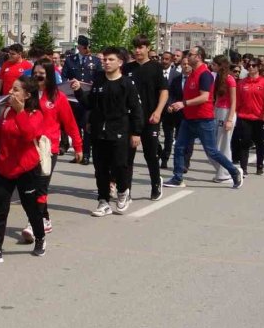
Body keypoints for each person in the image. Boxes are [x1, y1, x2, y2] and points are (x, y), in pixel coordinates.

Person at [0, 75, 48, 261]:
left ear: (27, 95)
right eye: (11, 89)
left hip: (26, 168)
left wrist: (20, 112)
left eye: (16, 90)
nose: (10, 92)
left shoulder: (36, 114)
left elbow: (28, 136)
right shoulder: (6, 111)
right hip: (4, 167)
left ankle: (40, 237)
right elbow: (0, 136)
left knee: (31, 207)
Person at [71, 47, 142, 217]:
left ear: (120, 62)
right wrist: (78, 90)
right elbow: (90, 104)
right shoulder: (99, 81)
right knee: (100, 168)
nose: (106, 63)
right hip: (98, 132)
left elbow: (136, 109)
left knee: (120, 165)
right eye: (104, 60)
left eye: (110, 60)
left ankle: (123, 191)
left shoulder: (127, 84)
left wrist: (136, 132)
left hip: (119, 131)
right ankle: (103, 201)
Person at [164, 46, 243, 189]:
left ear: (199, 57)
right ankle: (177, 178)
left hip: (203, 119)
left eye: (191, 55)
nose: (187, 58)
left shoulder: (204, 74)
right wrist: (176, 104)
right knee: (179, 147)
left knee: (211, 151)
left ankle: (234, 171)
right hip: (188, 118)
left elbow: (205, 97)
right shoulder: (192, 74)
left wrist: (183, 104)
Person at [23, 57, 81, 240]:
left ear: (49, 75)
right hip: (28, 147)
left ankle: (35, 223)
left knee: (41, 185)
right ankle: (45, 219)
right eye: (35, 73)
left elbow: (70, 124)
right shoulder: (27, 96)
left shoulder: (58, 97)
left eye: (42, 74)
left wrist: (78, 146)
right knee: (32, 186)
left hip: (49, 148)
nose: (38, 77)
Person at [122, 35, 168, 200]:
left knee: (150, 154)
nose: (137, 50)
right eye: (135, 47)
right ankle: (126, 190)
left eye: (141, 47)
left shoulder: (156, 68)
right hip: (131, 119)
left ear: (148, 48)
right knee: (128, 156)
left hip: (150, 118)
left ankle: (156, 183)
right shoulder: (127, 69)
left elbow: (164, 91)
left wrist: (158, 111)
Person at [62, 35, 101, 164]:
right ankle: (77, 152)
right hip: (73, 98)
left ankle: (86, 154)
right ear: (79, 47)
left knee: (87, 126)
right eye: (84, 47)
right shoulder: (70, 60)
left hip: (89, 98)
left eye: (87, 47)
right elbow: (64, 77)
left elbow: (99, 79)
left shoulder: (95, 61)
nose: (86, 50)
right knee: (75, 126)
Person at [234, 59, 264, 176]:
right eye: (249, 65)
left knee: (259, 142)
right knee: (244, 142)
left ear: (258, 67)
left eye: (254, 65)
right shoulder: (242, 83)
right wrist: (234, 114)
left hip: (260, 118)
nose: (251, 67)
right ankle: (243, 168)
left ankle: (259, 166)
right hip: (244, 117)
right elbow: (237, 101)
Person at [210, 55, 237, 182]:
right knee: (214, 145)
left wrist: (230, 120)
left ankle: (226, 173)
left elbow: (233, 102)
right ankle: (226, 170)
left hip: (227, 112)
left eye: (214, 64)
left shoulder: (230, 79)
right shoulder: (217, 79)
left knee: (224, 144)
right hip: (217, 111)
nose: (212, 66)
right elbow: (216, 99)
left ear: (220, 66)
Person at [165, 57, 194, 173]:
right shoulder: (176, 79)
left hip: (191, 113)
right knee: (179, 138)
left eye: (188, 64)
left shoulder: (195, 79)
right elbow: (171, 94)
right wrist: (170, 105)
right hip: (178, 114)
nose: (186, 66)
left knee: (189, 140)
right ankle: (180, 162)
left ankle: (186, 163)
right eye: (183, 64)